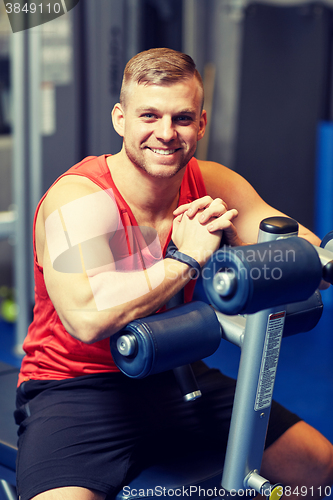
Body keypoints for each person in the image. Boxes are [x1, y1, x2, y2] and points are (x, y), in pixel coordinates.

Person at [14, 47, 333, 500]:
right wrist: (187, 260)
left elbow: (310, 258)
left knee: (316, 469)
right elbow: (87, 319)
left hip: (174, 371)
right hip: (75, 389)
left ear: (201, 123)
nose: (166, 134)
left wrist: (303, 256)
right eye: (149, 116)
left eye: (182, 118)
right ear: (120, 119)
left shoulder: (212, 182)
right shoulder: (80, 200)